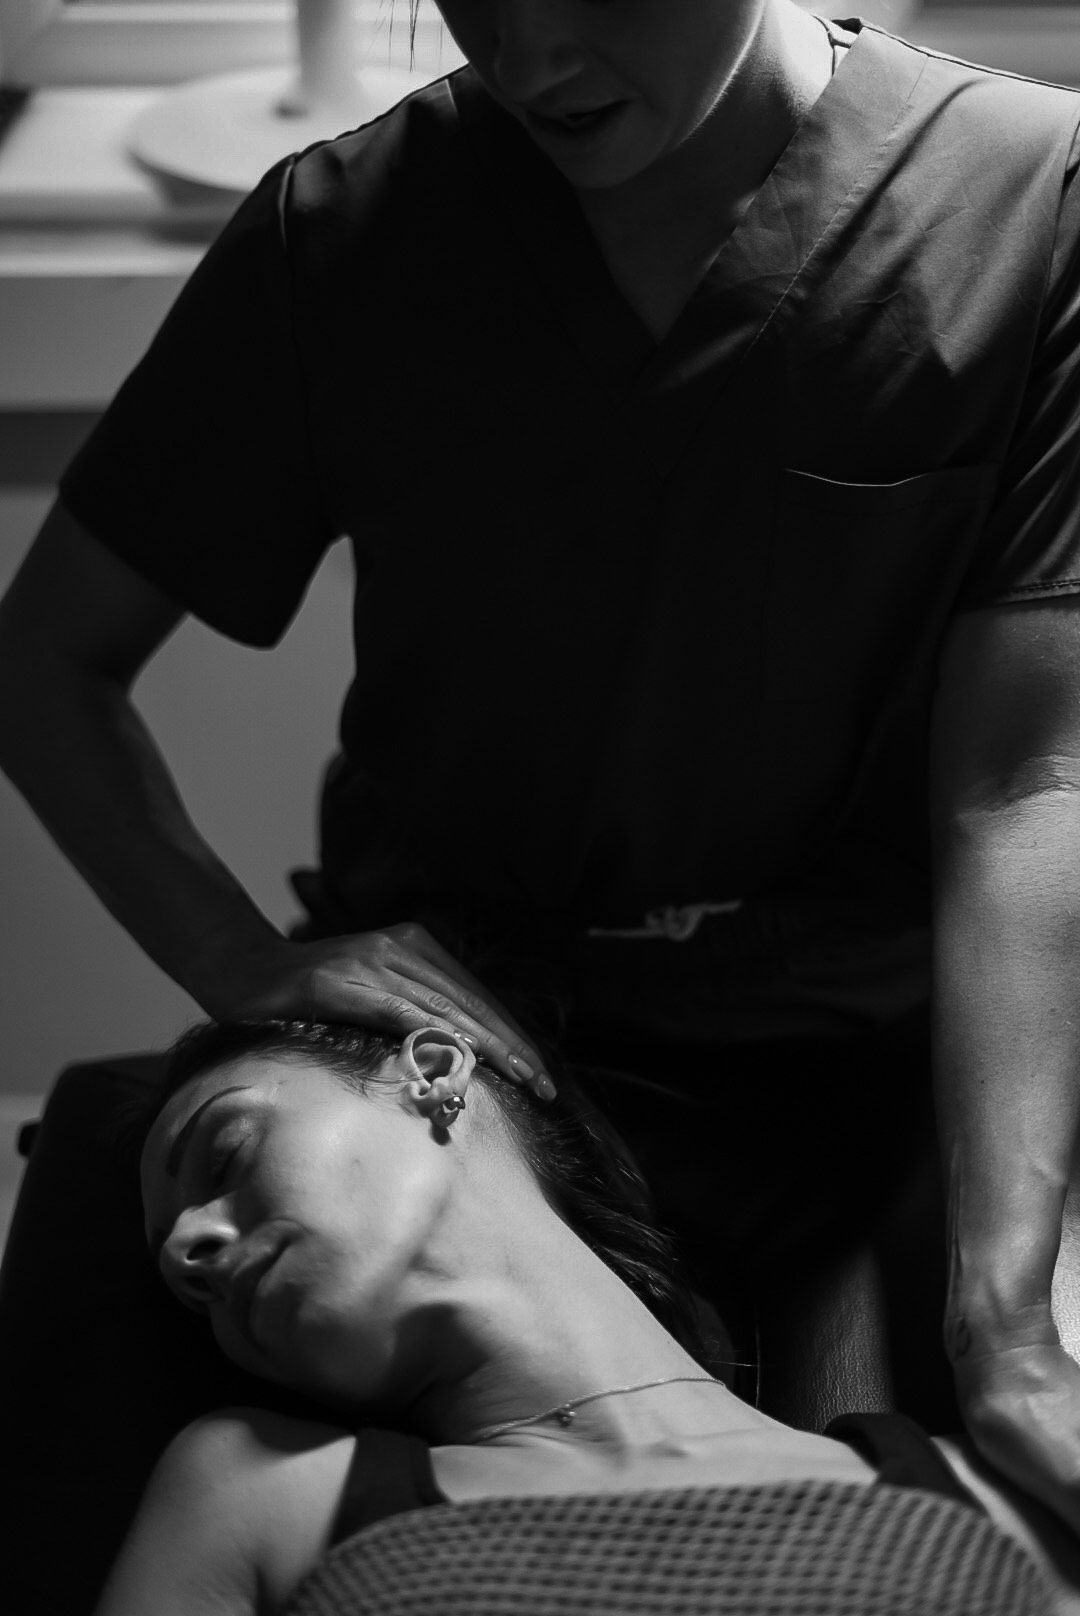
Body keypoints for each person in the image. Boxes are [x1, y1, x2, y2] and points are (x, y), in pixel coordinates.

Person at [2, 0, 1080, 1540]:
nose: (530, 60)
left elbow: (1025, 787)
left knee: (921, 1516)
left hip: (863, 1066)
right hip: (484, 1040)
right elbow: (44, 661)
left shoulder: (1030, 200)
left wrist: (1010, 1328)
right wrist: (235, 959)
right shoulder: (352, 227)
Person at [99, 1018, 1078, 1616]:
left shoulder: (993, 1487)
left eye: (222, 1152)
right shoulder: (257, 1490)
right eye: (178, 1271)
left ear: (434, 1071)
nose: (191, 1246)